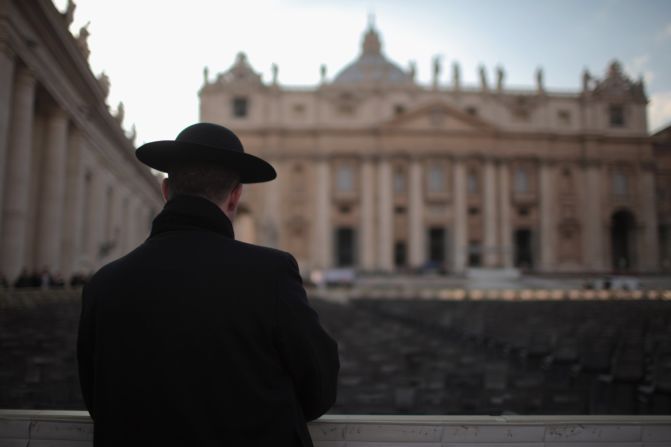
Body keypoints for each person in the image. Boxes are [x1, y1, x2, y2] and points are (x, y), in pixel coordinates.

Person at [77, 122, 339, 446]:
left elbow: (95, 399)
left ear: (165, 190)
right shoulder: (271, 273)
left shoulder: (103, 284)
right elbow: (320, 390)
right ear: (234, 196)